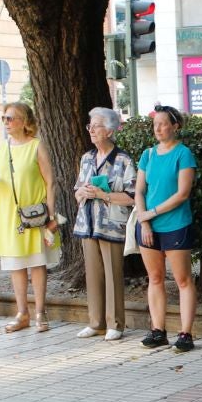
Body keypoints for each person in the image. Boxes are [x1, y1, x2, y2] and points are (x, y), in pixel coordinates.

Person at [0, 101, 57, 332]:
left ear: (25, 122)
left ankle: (41, 313)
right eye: (4, 118)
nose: (6, 123)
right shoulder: (3, 147)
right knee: (16, 264)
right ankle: (22, 313)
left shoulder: (36, 146)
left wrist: (51, 217)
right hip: (10, 215)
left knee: (37, 262)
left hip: (34, 214)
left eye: (11, 118)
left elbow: (50, 182)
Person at [133, 105, 196, 352]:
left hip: (176, 225)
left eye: (163, 124)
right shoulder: (147, 155)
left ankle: (186, 333)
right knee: (155, 278)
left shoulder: (183, 154)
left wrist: (153, 212)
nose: (158, 129)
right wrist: (144, 220)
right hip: (148, 226)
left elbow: (182, 194)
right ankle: (158, 330)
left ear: (175, 126)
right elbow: (139, 191)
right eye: (155, 124)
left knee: (182, 280)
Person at [72, 107, 136, 341]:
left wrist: (102, 195)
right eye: (90, 126)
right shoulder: (86, 158)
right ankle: (95, 321)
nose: (91, 130)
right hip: (88, 223)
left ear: (109, 130)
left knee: (112, 274)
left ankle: (115, 323)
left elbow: (132, 196)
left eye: (96, 126)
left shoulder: (123, 160)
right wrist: (83, 192)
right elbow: (77, 189)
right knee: (93, 274)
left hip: (111, 224)